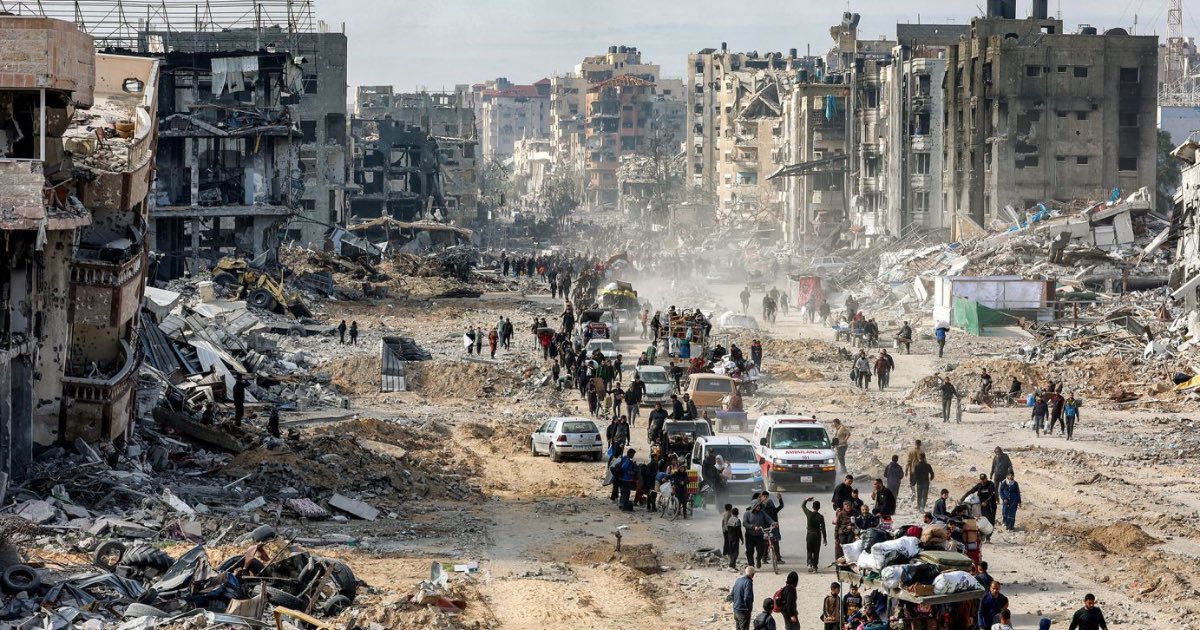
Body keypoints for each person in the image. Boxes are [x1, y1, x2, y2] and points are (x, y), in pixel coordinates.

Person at [962, 473, 999, 539]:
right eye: (981, 480)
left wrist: (986, 502)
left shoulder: (991, 484)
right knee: (983, 520)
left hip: (991, 506)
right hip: (982, 506)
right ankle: (983, 536)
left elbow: (992, 495)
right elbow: (970, 491)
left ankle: (988, 538)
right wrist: (962, 498)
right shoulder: (979, 486)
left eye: (984, 479)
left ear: (986, 478)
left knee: (991, 521)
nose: (983, 481)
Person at [801, 498, 826, 574]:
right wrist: (825, 538)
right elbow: (823, 528)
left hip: (810, 535)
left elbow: (803, 506)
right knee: (816, 551)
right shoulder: (821, 517)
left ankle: (809, 564)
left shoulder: (809, 514)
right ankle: (815, 566)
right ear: (819, 508)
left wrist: (806, 500)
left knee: (809, 550)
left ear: (812, 507)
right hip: (817, 536)